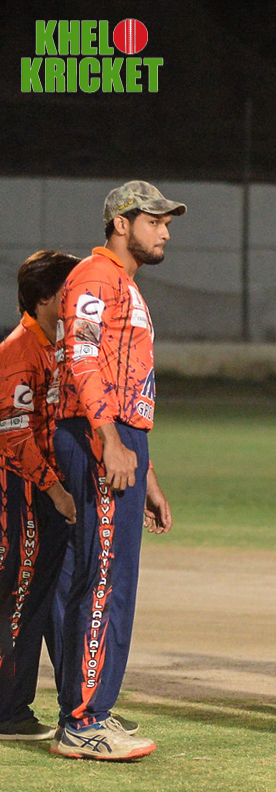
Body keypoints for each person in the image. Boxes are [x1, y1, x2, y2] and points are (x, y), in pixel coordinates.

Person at [50, 181, 179, 760]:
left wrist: (145, 471)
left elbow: (122, 378)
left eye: (166, 222)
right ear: (121, 224)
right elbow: (82, 358)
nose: (165, 232)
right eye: (155, 221)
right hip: (96, 434)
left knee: (107, 578)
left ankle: (90, 709)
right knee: (103, 580)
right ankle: (83, 721)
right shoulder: (96, 277)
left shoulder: (121, 282)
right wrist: (109, 440)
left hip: (118, 437)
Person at [0, 251, 79, 741]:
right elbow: (13, 435)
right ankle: (8, 712)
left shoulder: (56, 345)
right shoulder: (20, 350)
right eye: (70, 291)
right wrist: (55, 490)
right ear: (47, 298)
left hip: (46, 491)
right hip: (24, 492)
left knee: (49, 598)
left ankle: (79, 707)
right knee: (19, 598)